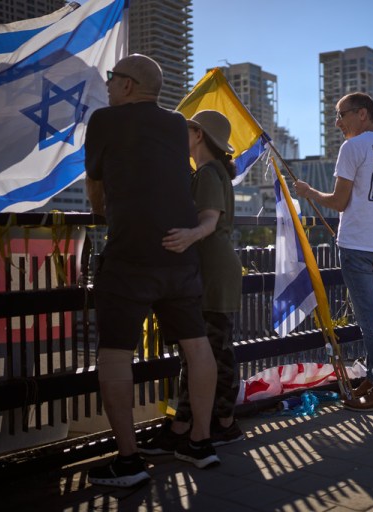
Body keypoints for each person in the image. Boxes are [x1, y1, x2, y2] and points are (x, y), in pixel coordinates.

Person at [85, 54, 219, 487]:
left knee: (114, 353)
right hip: (179, 251)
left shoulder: (104, 121)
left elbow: (96, 188)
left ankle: (128, 462)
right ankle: (200, 442)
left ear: (127, 85)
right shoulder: (178, 125)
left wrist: (105, 212)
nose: (107, 85)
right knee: (197, 346)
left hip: (130, 256)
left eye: (112, 78)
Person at [294, 92, 373, 412]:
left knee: (369, 319)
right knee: (371, 316)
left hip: (355, 243)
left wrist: (307, 192)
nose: (337, 122)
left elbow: (339, 201)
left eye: (341, 114)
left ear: (362, 114)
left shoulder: (353, 147)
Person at [139, 110, 244, 456]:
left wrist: (189, 235)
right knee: (212, 350)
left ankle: (205, 425)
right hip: (216, 269)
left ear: (198, 135)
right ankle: (217, 423)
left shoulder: (210, 173)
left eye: (186, 130)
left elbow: (209, 220)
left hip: (211, 270)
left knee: (202, 354)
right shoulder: (209, 173)